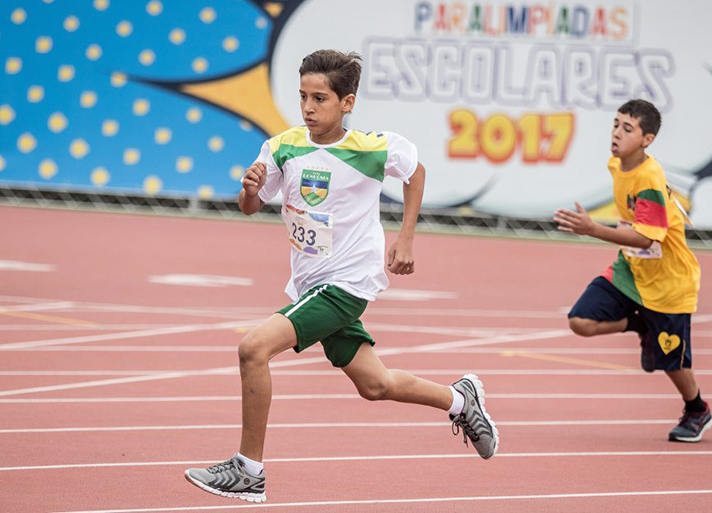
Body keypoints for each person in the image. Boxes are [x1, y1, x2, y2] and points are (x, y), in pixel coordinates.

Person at [183, 50, 498, 503]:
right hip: (310, 284)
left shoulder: (370, 147)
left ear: (347, 102)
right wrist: (249, 191)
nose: (309, 108)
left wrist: (406, 238)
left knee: (253, 348)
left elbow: (415, 172)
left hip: (348, 284)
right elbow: (252, 205)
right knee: (376, 385)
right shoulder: (283, 146)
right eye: (303, 97)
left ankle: (248, 469)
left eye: (320, 98)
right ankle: (460, 399)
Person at [554, 99, 712, 443]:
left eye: (628, 129)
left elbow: (645, 235)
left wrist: (592, 228)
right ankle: (640, 323)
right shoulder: (617, 163)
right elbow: (637, 235)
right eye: (615, 124)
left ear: (647, 139)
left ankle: (697, 409)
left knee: (672, 362)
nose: (616, 133)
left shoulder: (649, 179)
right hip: (632, 266)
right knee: (580, 321)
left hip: (669, 281)